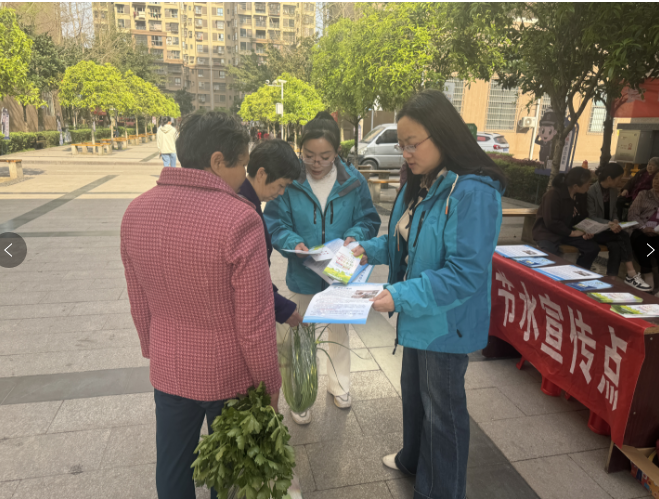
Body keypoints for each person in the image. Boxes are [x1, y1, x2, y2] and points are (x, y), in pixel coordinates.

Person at [351, 89, 505, 499]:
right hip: (419, 313)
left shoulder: (472, 191)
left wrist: (398, 296)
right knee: (417, 398)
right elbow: (405, 242)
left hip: (445, 322)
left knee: (443, 413)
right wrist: (366, 249)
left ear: (442, 134)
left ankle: (440, 490)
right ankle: (413, 460)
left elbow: (464, 274)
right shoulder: (423, 183)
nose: (405, 153)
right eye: (401, 144)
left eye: (411, 143)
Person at [120, 112, 281, 499]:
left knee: (173, 465)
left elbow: (138, 299)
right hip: (229, 374)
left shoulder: (136, 211)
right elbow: (255, 323)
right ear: (217, 161)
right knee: (231, 471)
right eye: (242, 165)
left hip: (169, 366)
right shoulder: (240, 219)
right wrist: (270, 387)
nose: (245, 176)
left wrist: (153, 349)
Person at [264, 117, 381, 425]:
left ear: (337, 152)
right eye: (309, 155)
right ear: (300, 150)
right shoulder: (291, 181)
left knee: (339, 331)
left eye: (324, 156)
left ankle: (340, 385)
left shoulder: (353, 181)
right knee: (300, 332)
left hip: (340, 273)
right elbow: (275, 223)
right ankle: (301, 393)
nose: (316, 163)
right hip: (303, 272)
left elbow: (369, 219)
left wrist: (354, 235)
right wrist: (294, 242)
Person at [238, 140, 304, 327]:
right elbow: (248, 280)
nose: (282, 192)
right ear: (261, 174)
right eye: (281, 185)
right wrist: (281, 307)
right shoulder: (244, 210)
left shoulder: (251, 201)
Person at [587, 162, 651, 290]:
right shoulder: (591, 192)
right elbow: (591, 216)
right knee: (623, 235)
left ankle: (611, 280)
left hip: (609, 231)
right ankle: (631, 274)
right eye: (619, 178)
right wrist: (609, 224)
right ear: (609, 178)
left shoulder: (613, 191)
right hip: (595, 230)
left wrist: (615, 220)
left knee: (616, 245)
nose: (621, 182)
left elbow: (614, 211)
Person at [533, 168, 602, 270]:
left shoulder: (580, 195)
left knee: (592, 248)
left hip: (568, 231)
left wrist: (585, 230)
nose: (589, 186)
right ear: (575, 186)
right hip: (549, 232)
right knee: (550, 255)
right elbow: (551, 222)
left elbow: (583, 216)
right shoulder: (553, 194)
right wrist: (572, 233)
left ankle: (579, 272)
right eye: (588, 183)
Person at [628, 171, 659, 292]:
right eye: (656, 178)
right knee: (644, 243)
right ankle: (648, 275)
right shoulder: (644, 194)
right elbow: (632, 215)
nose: (657, 182)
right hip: (640, 230)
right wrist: (644, 228)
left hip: (657, 233)